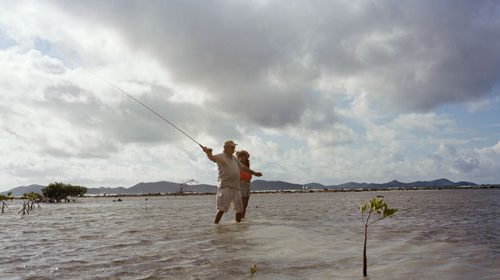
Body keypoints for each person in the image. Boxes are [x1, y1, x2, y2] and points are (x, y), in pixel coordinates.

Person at [201, 140, 262, 224]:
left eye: (234, 147)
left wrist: (254, 173)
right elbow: (212, 158)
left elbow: (243, 168)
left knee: (239, 210)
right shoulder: (220, 156)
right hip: (225, 186)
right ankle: (215, 226)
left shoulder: (234, 158)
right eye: (233, 147)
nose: (234, 149)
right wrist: (208, 153)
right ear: (226, 147)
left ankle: (239, 228)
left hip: (236, 188)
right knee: (221, 209)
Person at [236, 150, 252, 219]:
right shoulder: (237, 164)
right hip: (241, 184)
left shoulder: (247, 165)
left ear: (246, 157)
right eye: (240, 156)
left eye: (243, 156)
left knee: (245, 205)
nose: (242, 157)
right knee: (241, 205)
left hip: (248, 184)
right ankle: (239, 219)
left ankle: (242, 219)